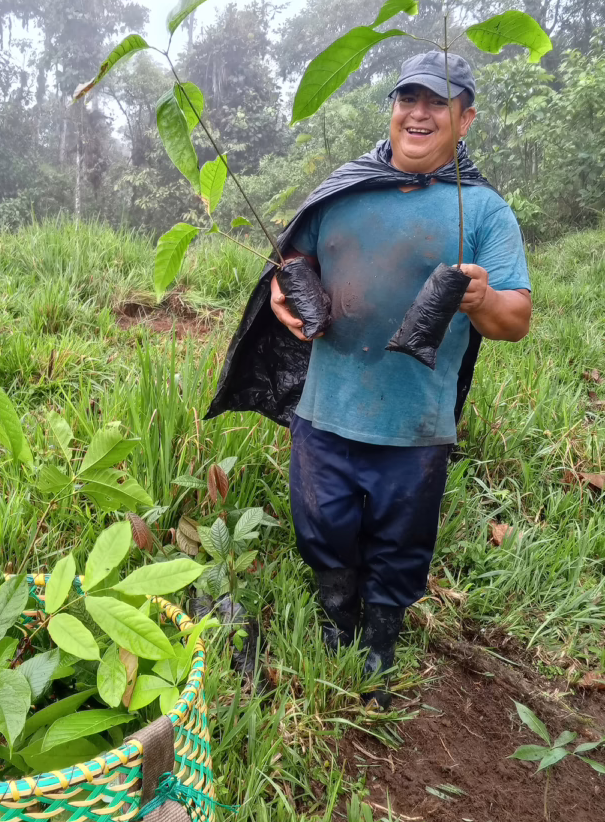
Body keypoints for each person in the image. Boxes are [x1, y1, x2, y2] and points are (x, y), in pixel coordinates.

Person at [208, 51, 531, 707]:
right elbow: (293, 258)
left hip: (415, 421)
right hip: (327, 408)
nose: (418, 112)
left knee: (401, 532)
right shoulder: (346, 187)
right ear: (391, 109)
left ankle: (381, 633)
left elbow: (516, 318)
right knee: (319, 519)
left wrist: (477, 301)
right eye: (407, 98)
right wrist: (282, 288)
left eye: (437, 102)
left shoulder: (484, 211)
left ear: (465, 119)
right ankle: (336, 614)